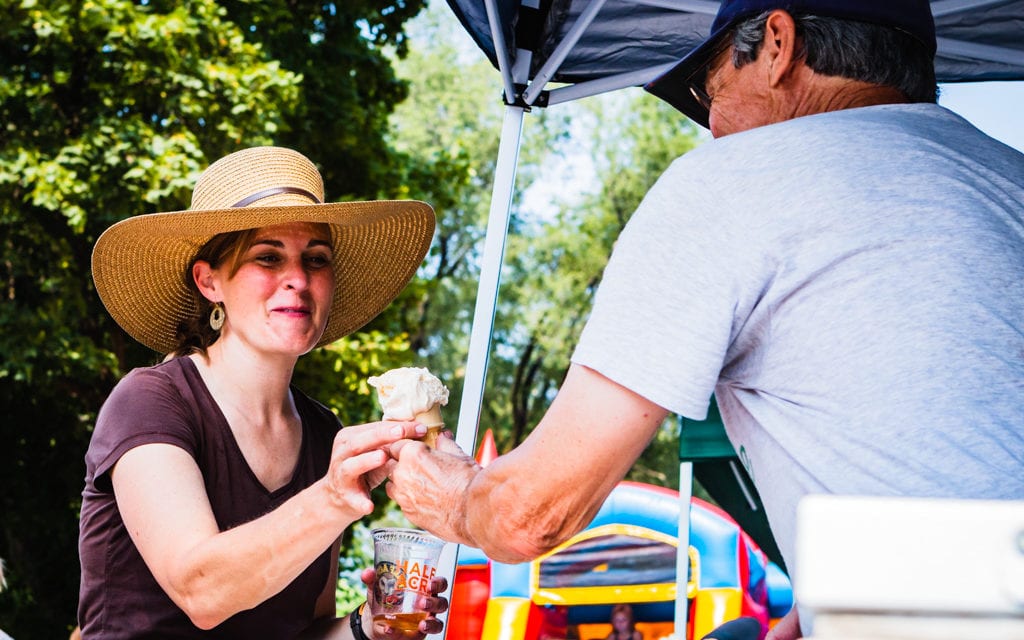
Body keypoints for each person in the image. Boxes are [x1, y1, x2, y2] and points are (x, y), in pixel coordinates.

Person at [383, 1, 1024, 639]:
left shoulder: (734, 180)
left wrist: (456, 499)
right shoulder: (1009, 178)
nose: (711, 126)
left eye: (708, 90)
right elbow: (957, 446)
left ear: (778, 43)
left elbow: (531, 516)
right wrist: (819, 604)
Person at [78, 146, 446, 639]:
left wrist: (369, 625)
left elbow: (304, 631)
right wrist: (334, 497)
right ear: (210, 281)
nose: (298, 279)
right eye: (268, 257)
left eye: (316, 259)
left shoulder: (322, 433)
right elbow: (201, 592)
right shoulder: (150, 401)